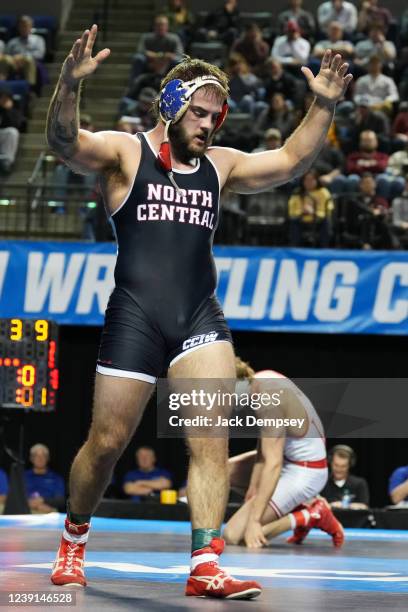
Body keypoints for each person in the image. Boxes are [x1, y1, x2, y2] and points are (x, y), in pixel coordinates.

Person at [46, 23, 351, 597]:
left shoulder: (221, 165)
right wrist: (68, 87)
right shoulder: (125, 153)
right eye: (201, 115)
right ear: (170, 104)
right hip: (135, 317)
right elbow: (66, 144)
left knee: (208, 437)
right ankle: (74, 536)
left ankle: (204, 564)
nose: (211, 127)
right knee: (107, 443)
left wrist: (323, 106)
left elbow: (288, 161)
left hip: (198, 319)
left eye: (218, 117)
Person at [223, 359, 344, 548]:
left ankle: (311, 514)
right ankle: (291, 505)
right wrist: (253, 489)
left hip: (305, 473)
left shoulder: (269, 398)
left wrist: (254, 519)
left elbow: (273, 463)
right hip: (289, 461)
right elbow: (263, 449)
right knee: (222, 471)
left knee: (233, 535)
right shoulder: (261, 378)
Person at [130, 15, 184, 82]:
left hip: (168, 64)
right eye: (158, 25)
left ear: (167, 26)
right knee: (138, 58)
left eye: (163, 25)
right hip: (149, 63)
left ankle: (179, 84)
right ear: (154, 26)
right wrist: (160, 56)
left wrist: (161, 57)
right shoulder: (146, 37)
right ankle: (134, 84)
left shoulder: (174, 38)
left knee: (179, 61)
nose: (161, 27)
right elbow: (140, 51)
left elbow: (179, 54)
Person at [288, 169, 334, 246]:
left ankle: (325, 248)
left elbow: (328, 210)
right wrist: (302, 212)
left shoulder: (323, 192)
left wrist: (314, 212)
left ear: (317, 180)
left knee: (326, 221)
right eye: (306, 180)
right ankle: (294, 248)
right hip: (301, 219)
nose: (308, 182)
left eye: (311, 180)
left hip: (318, 221)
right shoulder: (297, 193)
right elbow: (292, 212)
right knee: (293, 222)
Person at [3, 15, 45, 86]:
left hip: (30, 61)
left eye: (26, 26)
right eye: (21, 26)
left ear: (31, 27)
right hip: (14, 62)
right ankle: (2, 87)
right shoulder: (12, 42)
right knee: (4, 60)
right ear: (18, 28)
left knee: (28, 60)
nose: (23, 28)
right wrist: (15, 59)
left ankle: (29, 89)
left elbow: (40, 54)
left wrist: (23, 57)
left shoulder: (38, 40)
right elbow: (6, 54)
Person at [25, 444, 65, 513]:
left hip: (49, 510)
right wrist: (31, 504)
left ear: (47, 458)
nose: (40, 458)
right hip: (26, 510)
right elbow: (15, 497)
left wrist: (43, 500)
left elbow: (60, 500)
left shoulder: (56, 478)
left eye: (43, 456)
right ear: (31, 458)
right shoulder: (23, 476)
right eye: (36, 456)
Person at [0, 87, 23, 173]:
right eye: (2, 98)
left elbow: (16, 124)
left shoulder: (14, 110)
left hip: (4, 135)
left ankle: (6, 162)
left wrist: (7, 110)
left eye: (6, 99)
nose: (3, 100)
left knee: (13, 132)